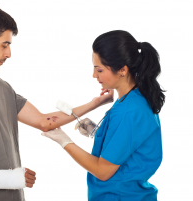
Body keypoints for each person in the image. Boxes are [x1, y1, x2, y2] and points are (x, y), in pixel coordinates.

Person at [0, 4, 114, 201]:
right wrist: (9, 179)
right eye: (4, 45)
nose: (8, 54)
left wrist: (96, 103)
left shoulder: (2, 88)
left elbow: (44, 121)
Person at [42, 30, 165, 201]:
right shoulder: (132, 98)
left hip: (120, 196)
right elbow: (127, 143)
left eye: (99, 70)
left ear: (122, 70)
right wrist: (97, 130)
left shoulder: (129, 112)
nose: (94, 75)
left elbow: (103, 171)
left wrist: (64, 141)